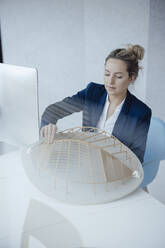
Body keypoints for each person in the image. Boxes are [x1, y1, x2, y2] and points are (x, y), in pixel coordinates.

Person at [40, 44, 152, 164]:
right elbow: (53, 111)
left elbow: (136, 158)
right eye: (107, 74)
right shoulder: (92, 93)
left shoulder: (140, 112)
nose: (110, 81)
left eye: (118, 76)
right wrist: (47, 126)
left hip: (115, 169)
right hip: (86, 161)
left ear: (132, 78)